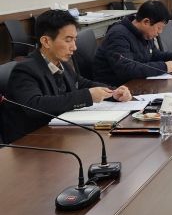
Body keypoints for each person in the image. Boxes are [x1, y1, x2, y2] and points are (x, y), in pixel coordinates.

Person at [1, 10, 132, 142]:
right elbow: (35, 105)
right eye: (68, 40)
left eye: (75, 40)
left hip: (59, 133)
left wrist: (113, 92)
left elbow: (81, 83)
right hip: (32, 141)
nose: (74, 47)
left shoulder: (61, 62)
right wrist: (87, 96)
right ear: (46, 41)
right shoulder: (25, 70)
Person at [93, 0, 172, 86]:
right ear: (146, 22)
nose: (160, 32)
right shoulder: (118, 35)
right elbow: (126, 69)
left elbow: (153, 55)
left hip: (136, 83)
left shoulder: (145, 33)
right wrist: (164, 67)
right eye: (159, 28)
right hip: (114, 89)